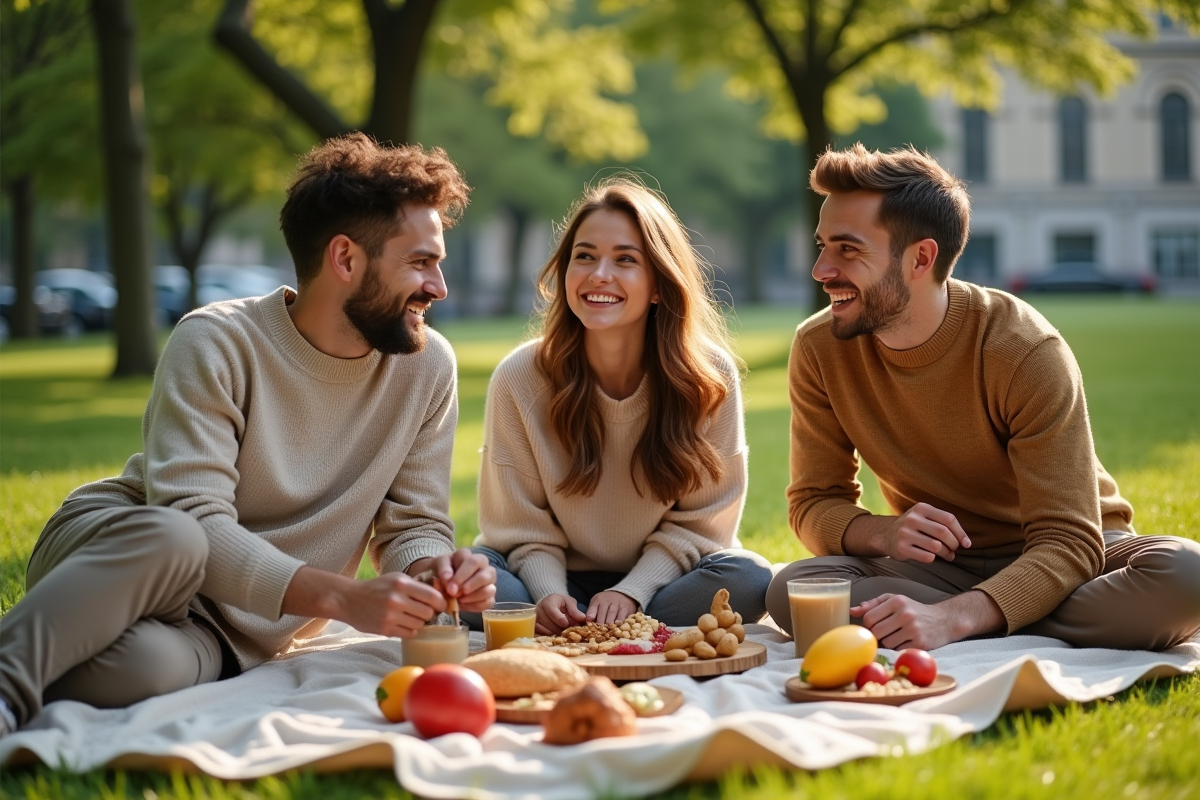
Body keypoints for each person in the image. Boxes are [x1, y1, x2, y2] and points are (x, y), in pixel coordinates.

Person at [0, 134, 496, 736]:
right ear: (345, 259)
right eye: (420, 262)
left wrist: (435, 573)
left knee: (148, 671)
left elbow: (413, 524)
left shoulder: (427, 367)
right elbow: (194, 519)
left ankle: (36, 648)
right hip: (122, 551)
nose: (439, 287)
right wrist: (340, 599)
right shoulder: (216, 341)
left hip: (224, 633)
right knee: (177, 537)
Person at [766, 144, 1200, 652]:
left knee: (1187, 577)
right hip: (942, 566)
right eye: (822, 246)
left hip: (1071, 556)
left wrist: (953, 617)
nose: (820, 269)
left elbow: (1069, 541)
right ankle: (999, 619)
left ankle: (966, 621)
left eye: (847, 249)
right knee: (792, 591)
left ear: (920, 258)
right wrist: (883, 533)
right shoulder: (820, 347)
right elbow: (815, 502)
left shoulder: (1022, 349)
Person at [469, 177, 773, 636]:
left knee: (749, 578)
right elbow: (520, 527)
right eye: (584, 256)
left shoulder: (708, 378)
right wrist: (549, 593)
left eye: (625, 260)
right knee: (467, 580)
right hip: (544, 581)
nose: (599, 274)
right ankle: (581, 622)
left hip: (664, 581)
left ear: (658, 284)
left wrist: (633, 591)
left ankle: (609, 624)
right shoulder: (519, 377)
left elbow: (703, 525)